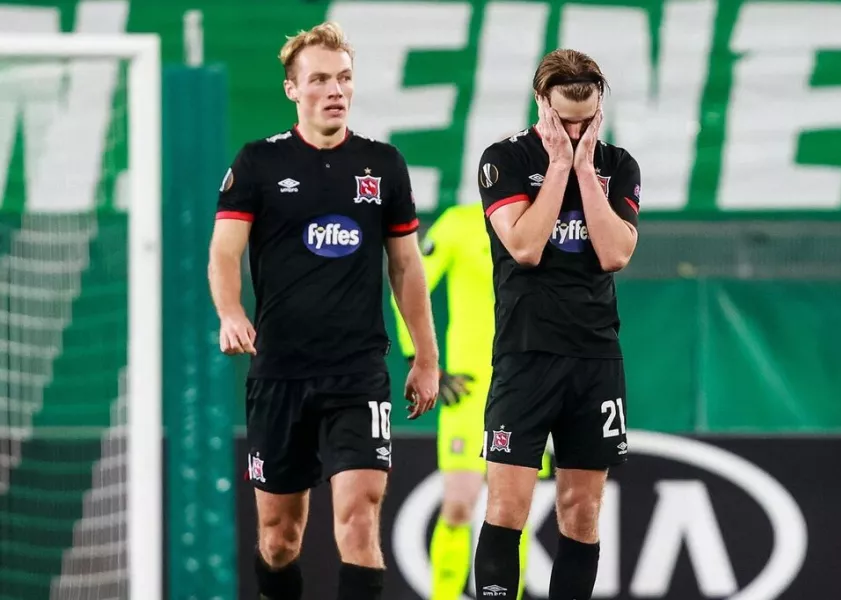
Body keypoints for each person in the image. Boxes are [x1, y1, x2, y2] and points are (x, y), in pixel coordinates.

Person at [207, 21, 440, 600]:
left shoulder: (383, 165)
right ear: (293, 89)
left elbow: (407, 267)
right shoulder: (258, 163)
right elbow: (223, 253)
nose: (335, 90)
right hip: (280, 372)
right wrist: (231, 312)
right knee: (279, 537)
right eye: (319, 80)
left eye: (344, 78)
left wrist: (426, 357)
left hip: (358, 372)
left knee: (360, 520)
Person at [472, 48, 641, 600]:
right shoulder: (504, 159)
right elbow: (523, 245)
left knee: (581, 510)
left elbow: (615, 253)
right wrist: (560, 166)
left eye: (588, 118)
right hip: (526, 354)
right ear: (541, 104)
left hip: (595, 359)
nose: (577, 129)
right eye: (566, 120)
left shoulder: (619, 165)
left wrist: (586, 169)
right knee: (508, 506)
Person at [391, 202, 553, 600]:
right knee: (459, 506)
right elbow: (411, 280)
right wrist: (419, 357)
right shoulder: (460, 223)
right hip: (469, 388)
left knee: (513, 513)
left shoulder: (549, 221)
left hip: (527, 387)